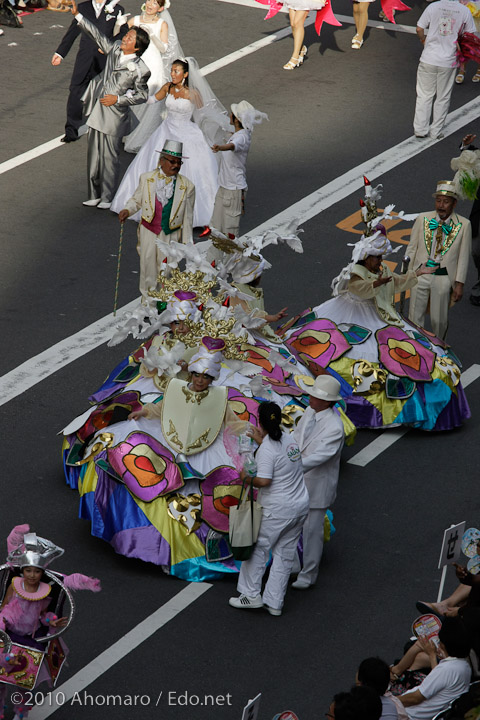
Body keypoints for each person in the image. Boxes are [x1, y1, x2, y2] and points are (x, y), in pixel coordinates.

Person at [112, 57, 230, 227]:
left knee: (193, 171)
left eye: (176, 71)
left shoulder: (193, 94)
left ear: (186, 74)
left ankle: (193, 215)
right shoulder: (168, 87)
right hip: (166, 131)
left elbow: (203, 114)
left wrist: (222, 126)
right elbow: (152, 100)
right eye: (172, 70)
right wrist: (134, 94)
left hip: (187, 134)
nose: (172, 74)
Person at [0, 525, 100, 719]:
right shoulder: (14, 585)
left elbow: (43, 614)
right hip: (9, 634)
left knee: (24, 682)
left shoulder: (45, 590)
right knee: (1, 678)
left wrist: (51, 622)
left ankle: (21, 711)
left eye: (36, 572)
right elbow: (4, 608)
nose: (31, 575)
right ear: (22, 571)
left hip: (30, 637)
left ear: (41, 573)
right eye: (27, 570)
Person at [229, 401, 309, 616]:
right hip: (300, 506)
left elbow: (264, 481)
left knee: (258, 549)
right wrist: (260, 439)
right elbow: (277, 452)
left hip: (277, 509)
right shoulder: (289, 439)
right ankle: (274, 603)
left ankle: (250, 595)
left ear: (260, 422)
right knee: (284, 554)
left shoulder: (266, 449)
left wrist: (245, 477)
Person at [69, 0, 151, 209]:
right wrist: (78, 16)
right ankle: (93, 193)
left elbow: (142, 95)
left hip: (115, 116)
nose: (124, 38)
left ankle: (107, 196)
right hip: (98, 110)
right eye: (126, 35)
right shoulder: (114, 48)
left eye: (130, 37)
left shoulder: (141, 69)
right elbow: (97, 35)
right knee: (93, 155)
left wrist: (118, 99)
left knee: (110, 157)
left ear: (137, 46)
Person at [117, 139, 195, 304]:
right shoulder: (147, 179)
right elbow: (137, 199)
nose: (176, 166)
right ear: (162, 161)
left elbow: (188, 218)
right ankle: (147, 303)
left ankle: (164, 303)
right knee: (148, 268)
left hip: (171, 233)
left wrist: (188, 245)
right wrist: (127, 210)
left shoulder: (187, 186)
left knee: (168, 269)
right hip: (149, 231)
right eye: (172, 162)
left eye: (179, 163)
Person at [291, 374, 344, 590]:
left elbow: (320, 457)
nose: (310, 398)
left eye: (315, 395)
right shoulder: (309, 412)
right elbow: (296, 438)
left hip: (317, 488)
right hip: (297, 483)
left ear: (327, 401)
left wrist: (290, 466)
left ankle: (308, 574)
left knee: (312, 533)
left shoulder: (335, 427)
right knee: (291, 526)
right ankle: (292, 565)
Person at [51, 0, 126, 144]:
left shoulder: (117, 9)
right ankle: (71, 130)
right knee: (75, 90)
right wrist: (60, 53)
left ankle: (103, 128)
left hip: (105, 59)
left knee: (104, 92)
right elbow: (73, 31)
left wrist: (108, 44)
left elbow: (123, 32)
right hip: (84, 58)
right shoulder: (83, 7)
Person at [407, 180, 472, 340]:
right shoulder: (423, 218)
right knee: (415, 316)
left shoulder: (464, 225)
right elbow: (412, 248)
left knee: (439, 320)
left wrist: (459, 284)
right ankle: (416, 348)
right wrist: (407, 275)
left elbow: (463, 256)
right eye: (438, 201)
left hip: (443, 276)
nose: (441, 205)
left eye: (446, 202)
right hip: (421, 273)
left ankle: (439, 348)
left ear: (454, 204)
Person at [119, 0, 185, 153]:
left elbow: (163, 48)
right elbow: (122, 37)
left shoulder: (162, 24)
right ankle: (128, 132)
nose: (150, 5)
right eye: (149, 1)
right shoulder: (134, 20)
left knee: (149, 102)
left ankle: (141, 138)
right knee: (132, 98)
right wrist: (119, 24)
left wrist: (153, 35)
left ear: (160, 8)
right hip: (135, 64)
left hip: (153, 65)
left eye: (155, 3)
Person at [202, 101, 267, 239]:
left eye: (232, 114)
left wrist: (220, 147)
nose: (230, 115)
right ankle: (215, 259)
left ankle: (232, 260)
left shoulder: (242, 137)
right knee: (216, 229)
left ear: (237, 119)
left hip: (233, 191)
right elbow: (231, 138)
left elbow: (232, 145)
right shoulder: (239, 133)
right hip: (224, 187)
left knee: (229, 234)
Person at [413, 0, 475, 139]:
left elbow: (419, 28)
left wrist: (423, 40)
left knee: (424, 95)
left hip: (428, 58)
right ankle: (436, 131)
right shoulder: (464, 10)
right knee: (443, 97)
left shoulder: (433, 6)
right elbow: (470, 36)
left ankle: (420, 129)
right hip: (448, 60)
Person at [398, 617, 471, 719]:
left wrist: (390, 701)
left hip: (407, 714)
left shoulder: (446, 670)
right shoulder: (464, 666)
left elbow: (415, 698)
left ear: (444, 646)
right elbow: (438, 679)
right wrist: (432, 655)